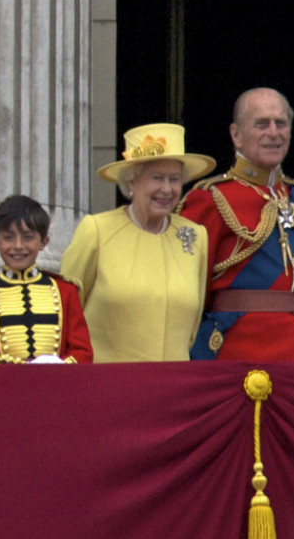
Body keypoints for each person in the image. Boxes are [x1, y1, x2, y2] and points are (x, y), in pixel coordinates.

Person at [177, 88, 294, 361]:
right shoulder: (210, 198)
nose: (274, 132)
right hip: (239, 352)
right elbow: (185, 292)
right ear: (236, 134)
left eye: (281, 123)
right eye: (261, 123)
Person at [60, 123, 212, 362]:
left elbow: (192, 326)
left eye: (174, 179)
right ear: (131, 182)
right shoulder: (97, 230)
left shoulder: (195, 236)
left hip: (174, 387)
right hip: (109, 386)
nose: (167, 189)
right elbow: (65, 312)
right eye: (157, 178)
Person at [0, 195, 92, 363]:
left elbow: (83, 352)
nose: (18, 246)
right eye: (8, 237)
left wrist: (60, 364)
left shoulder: (66, 291)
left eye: (28, 237)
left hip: (56, 385)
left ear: (44, 242)